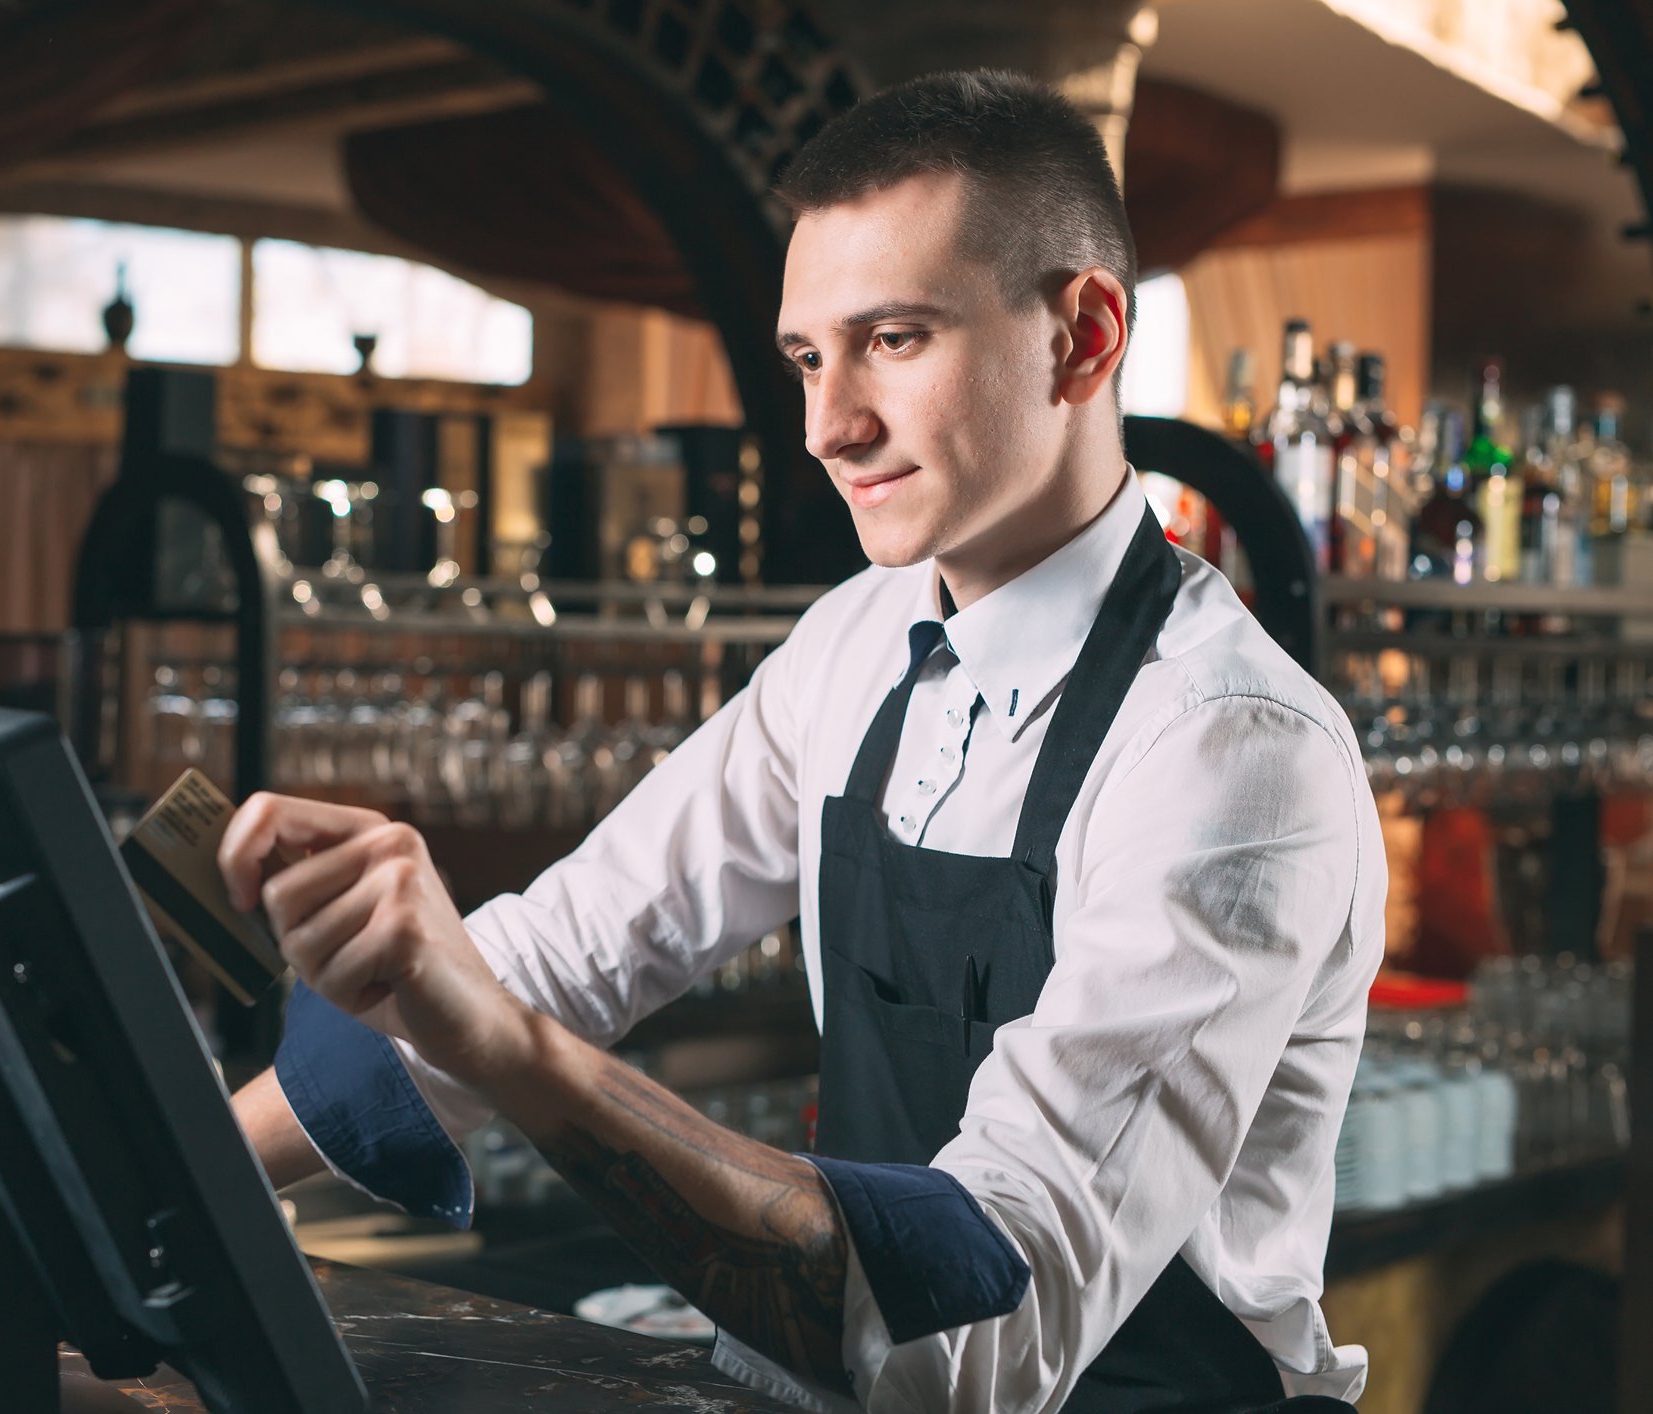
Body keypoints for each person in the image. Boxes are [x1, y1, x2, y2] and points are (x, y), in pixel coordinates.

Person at [220, 69, 1383, 1414]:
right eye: (807, 358)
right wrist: (171, 1174)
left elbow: (979, 1329)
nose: (829, 426)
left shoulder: (1227, 749)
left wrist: (513, 1050)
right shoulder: (857, 642)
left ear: (1079, 336)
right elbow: (561, 953)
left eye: (892, 338)